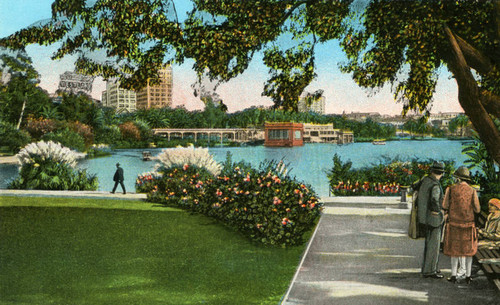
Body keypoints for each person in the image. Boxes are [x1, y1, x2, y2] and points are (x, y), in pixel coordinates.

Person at [442, 166, 480, 284]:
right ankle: (468, 276)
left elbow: (444, 205)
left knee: (455, 251)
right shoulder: (472, 191)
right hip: (468, 225)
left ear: (457, 178)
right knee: (468, 251)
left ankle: (453, 276)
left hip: (454, 224)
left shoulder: (450, 189)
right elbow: (477, 209)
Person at [412, 161, 445, 279]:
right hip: (433, 218)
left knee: (429, 243)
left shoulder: (425, 180)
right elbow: (435, 199)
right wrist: (439, 211)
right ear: (441, 173)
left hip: (423, 217)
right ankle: (430, 270)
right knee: (433, 244)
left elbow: (413, 186)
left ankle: (428, 268)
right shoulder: (435, 185)